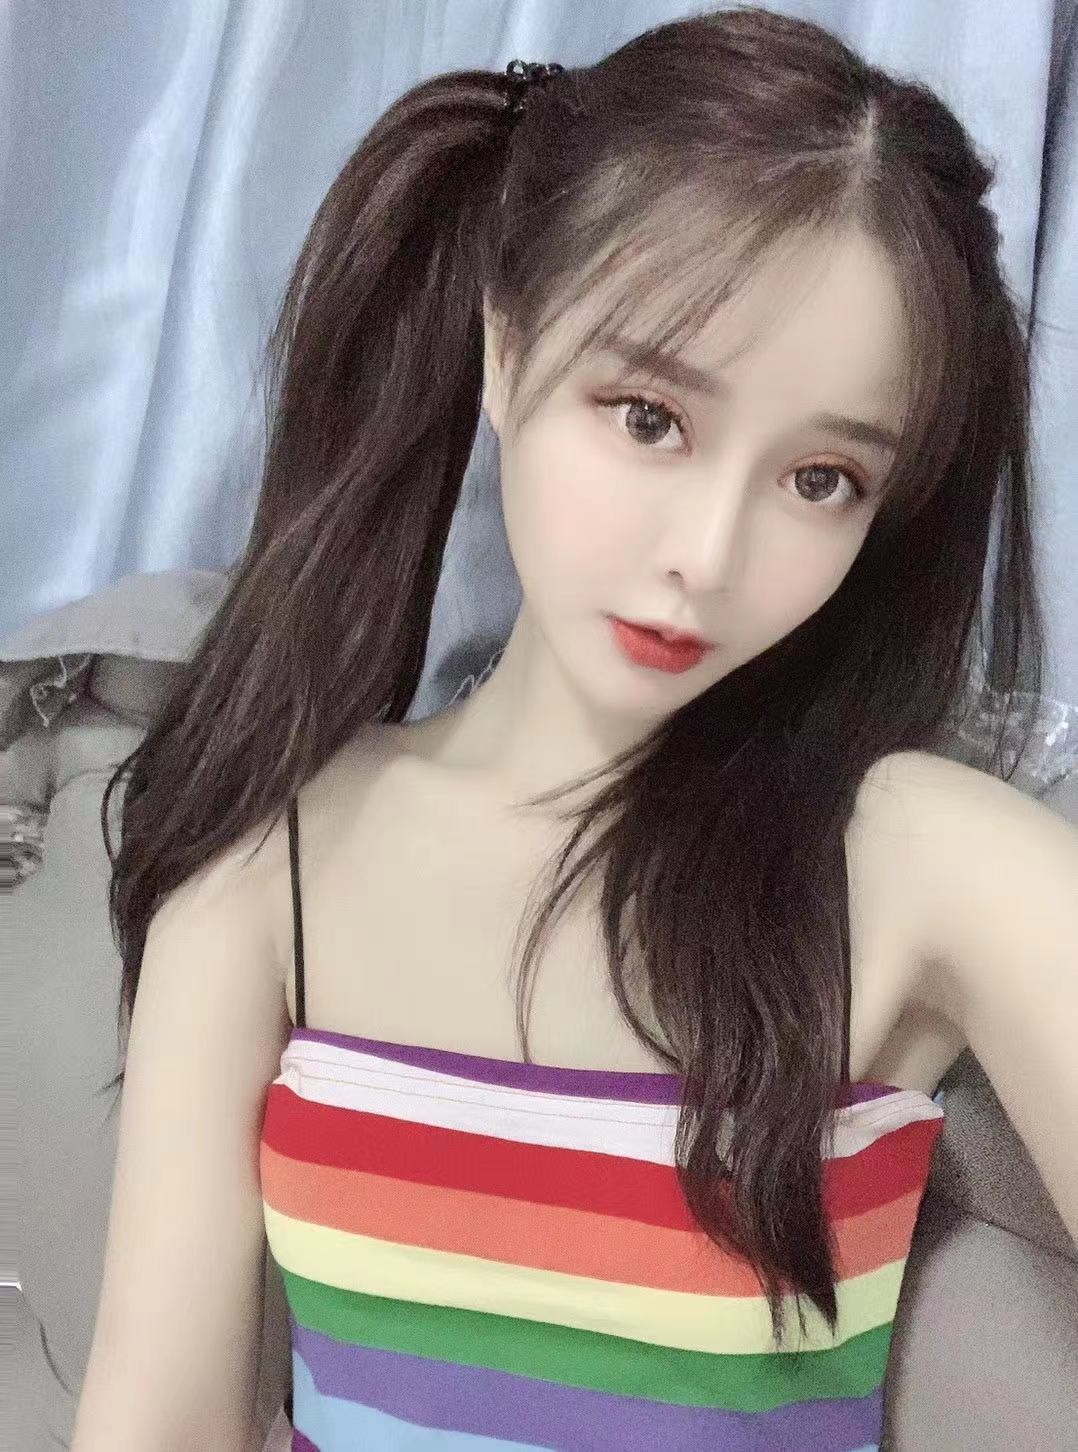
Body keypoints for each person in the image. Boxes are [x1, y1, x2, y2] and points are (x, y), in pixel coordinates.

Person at [71, 6, 1078, 1450]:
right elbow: (157, 1426)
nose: (705, 556)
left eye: (820, 480)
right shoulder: (269, 864)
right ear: (505, 345)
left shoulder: (929, 865)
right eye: (649, 416)